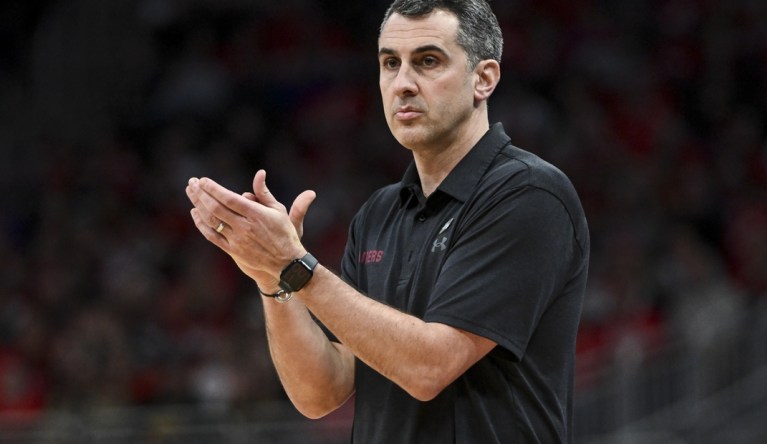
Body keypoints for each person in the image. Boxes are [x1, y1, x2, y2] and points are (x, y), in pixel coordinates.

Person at [185, 0, 589, 442]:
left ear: (484, 78)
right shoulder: (379, 212)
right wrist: (271, 276)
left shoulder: (529, 194)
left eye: (428, 61)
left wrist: (295, 267)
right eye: (390, 64)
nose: (403, 84)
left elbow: (430, 367)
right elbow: (321, 393)